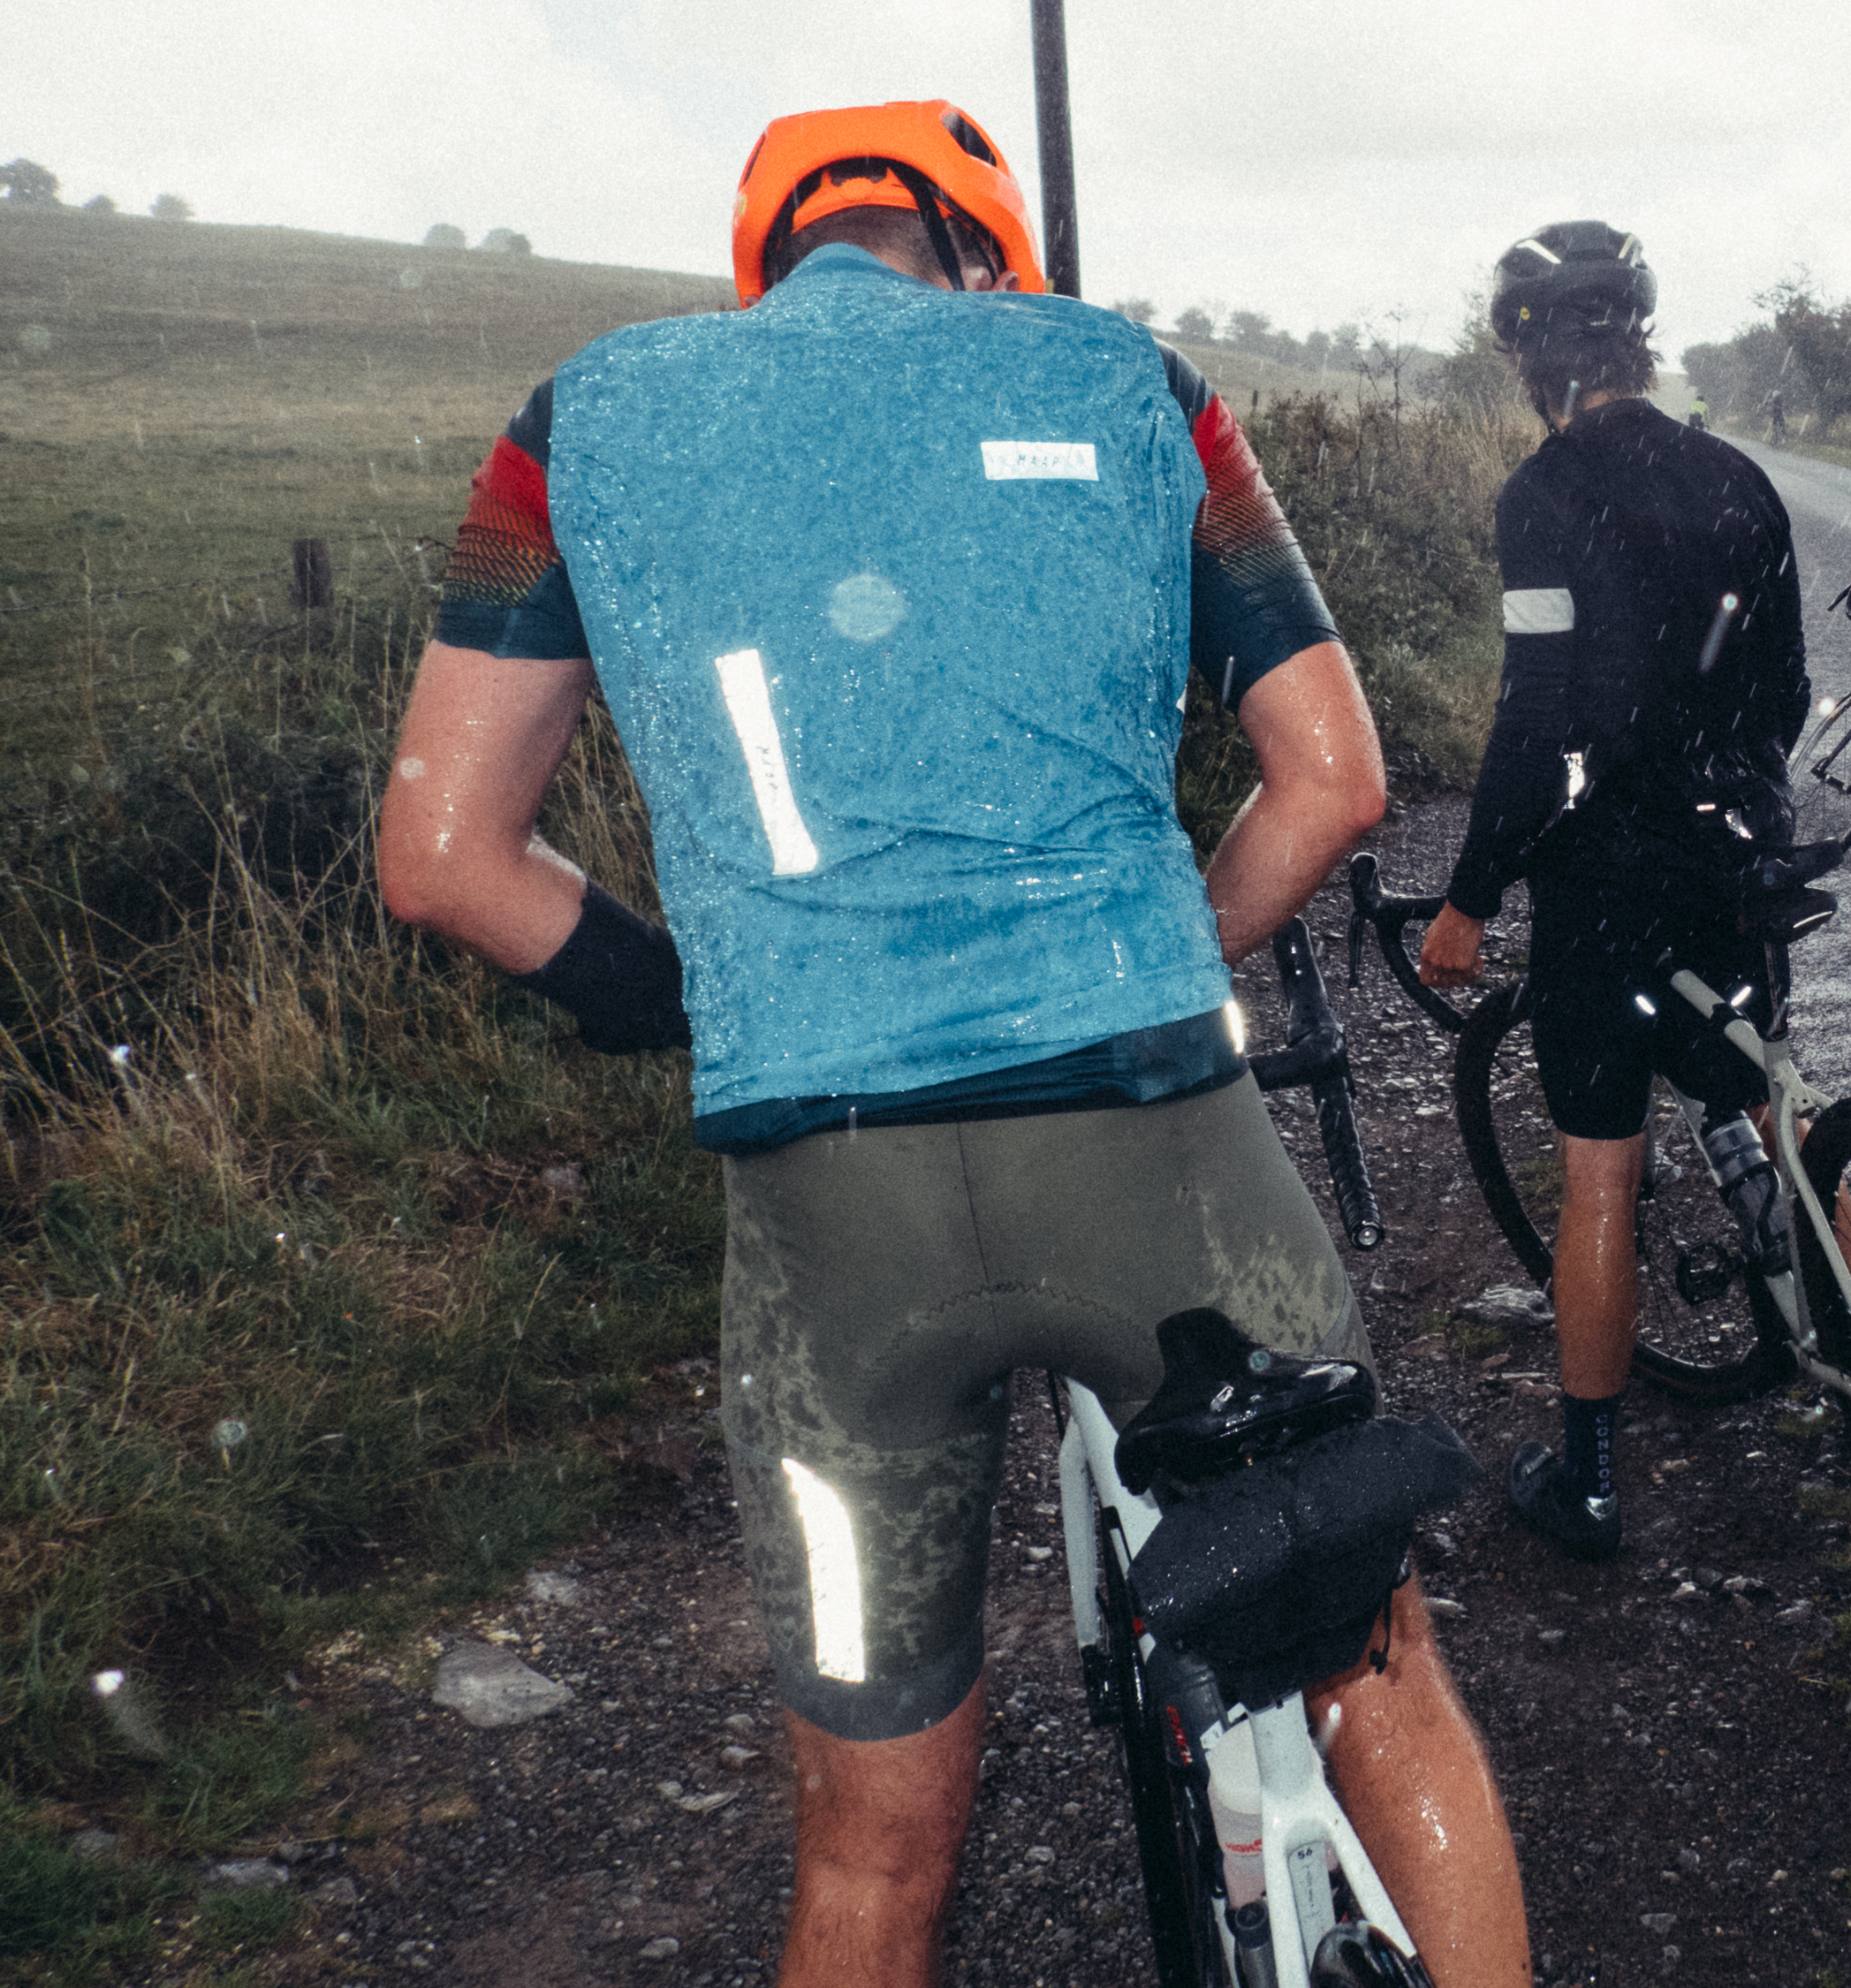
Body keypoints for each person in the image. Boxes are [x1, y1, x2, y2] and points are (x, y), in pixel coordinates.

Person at [378, 101, 1528, 1988]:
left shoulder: (580, 421)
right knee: (1370, 1674)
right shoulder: (1131, 380)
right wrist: (1172, 955)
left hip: (835, 1219)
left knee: (869, 1853)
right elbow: (1332, 784)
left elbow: (440, 861)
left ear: (766, 259)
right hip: (1159, 1143)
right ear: (987, 246)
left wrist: (714, 1007)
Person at [1413, 221, 1808, 1563]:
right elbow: (1788, 693)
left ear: (1531, 355)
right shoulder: (1741, 477)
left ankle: (1587, 1483)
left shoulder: (1545, 497)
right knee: (1762, 1090)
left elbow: (1539, 722)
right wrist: (1728, 793)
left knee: (1600, 1177)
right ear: (1635, 336)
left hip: (1609, 887)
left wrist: (1470, 895)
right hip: (1735, 851)